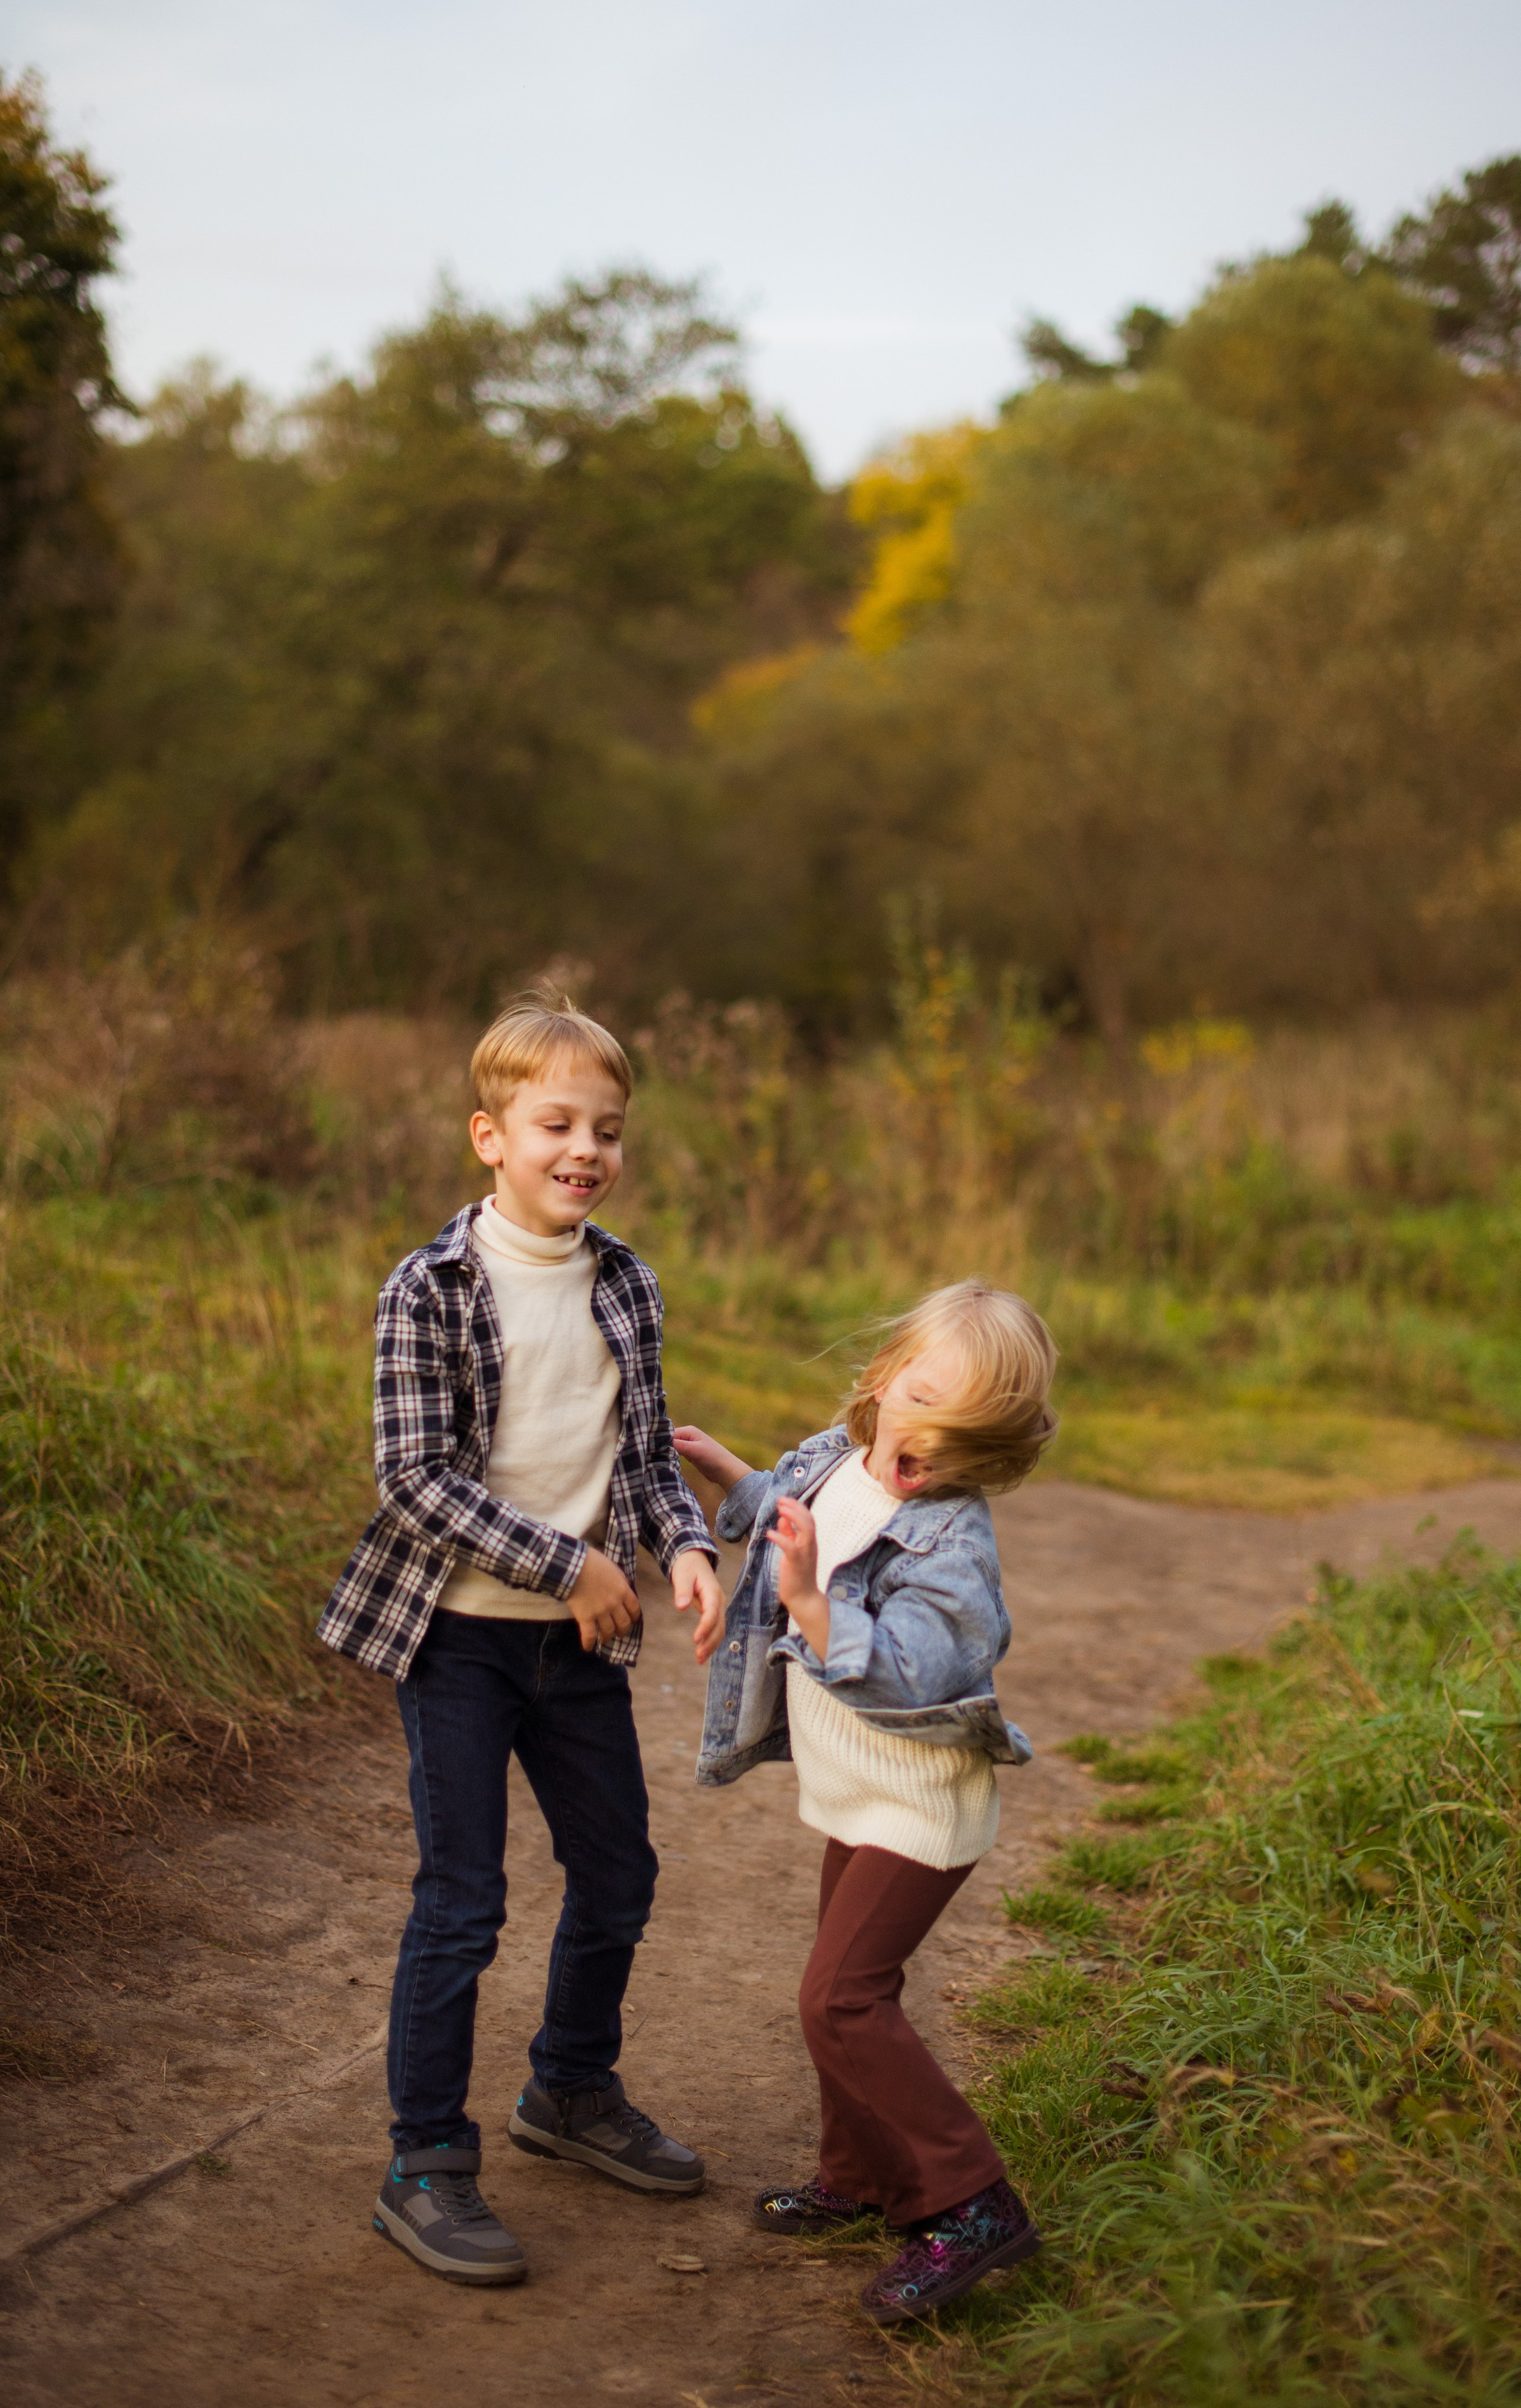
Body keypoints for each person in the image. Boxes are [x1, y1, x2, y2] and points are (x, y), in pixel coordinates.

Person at [318, 986, 726, 2287]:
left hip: (577, 1649)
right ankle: (425, 2158)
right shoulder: (432, 1285)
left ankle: (570, 2089)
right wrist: (571, 1561)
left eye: (607, 1130)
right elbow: (414, 1477)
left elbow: (647, 1459)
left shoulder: (624, 1283)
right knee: (463, 1900)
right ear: (488, 1135)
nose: (585, 1151)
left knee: (618, 1878)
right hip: (460, 1638)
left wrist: (688, 1546)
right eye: (556, 1122)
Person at [674, 1281, 1055, 2326]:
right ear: (883, 1378)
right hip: (859, 1796)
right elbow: (803, 1513)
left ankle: (969, 2200)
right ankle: (861, 2180)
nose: (927, 1439)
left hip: (919, 1808)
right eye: (921, 1400)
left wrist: (806, 1604)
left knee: (841, 1999)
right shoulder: (838, 1457)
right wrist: (733, 1481)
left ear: (996, 1450)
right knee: (833, 1987)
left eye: (965, 1432)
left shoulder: (953, 1547)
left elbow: (913, 1669)